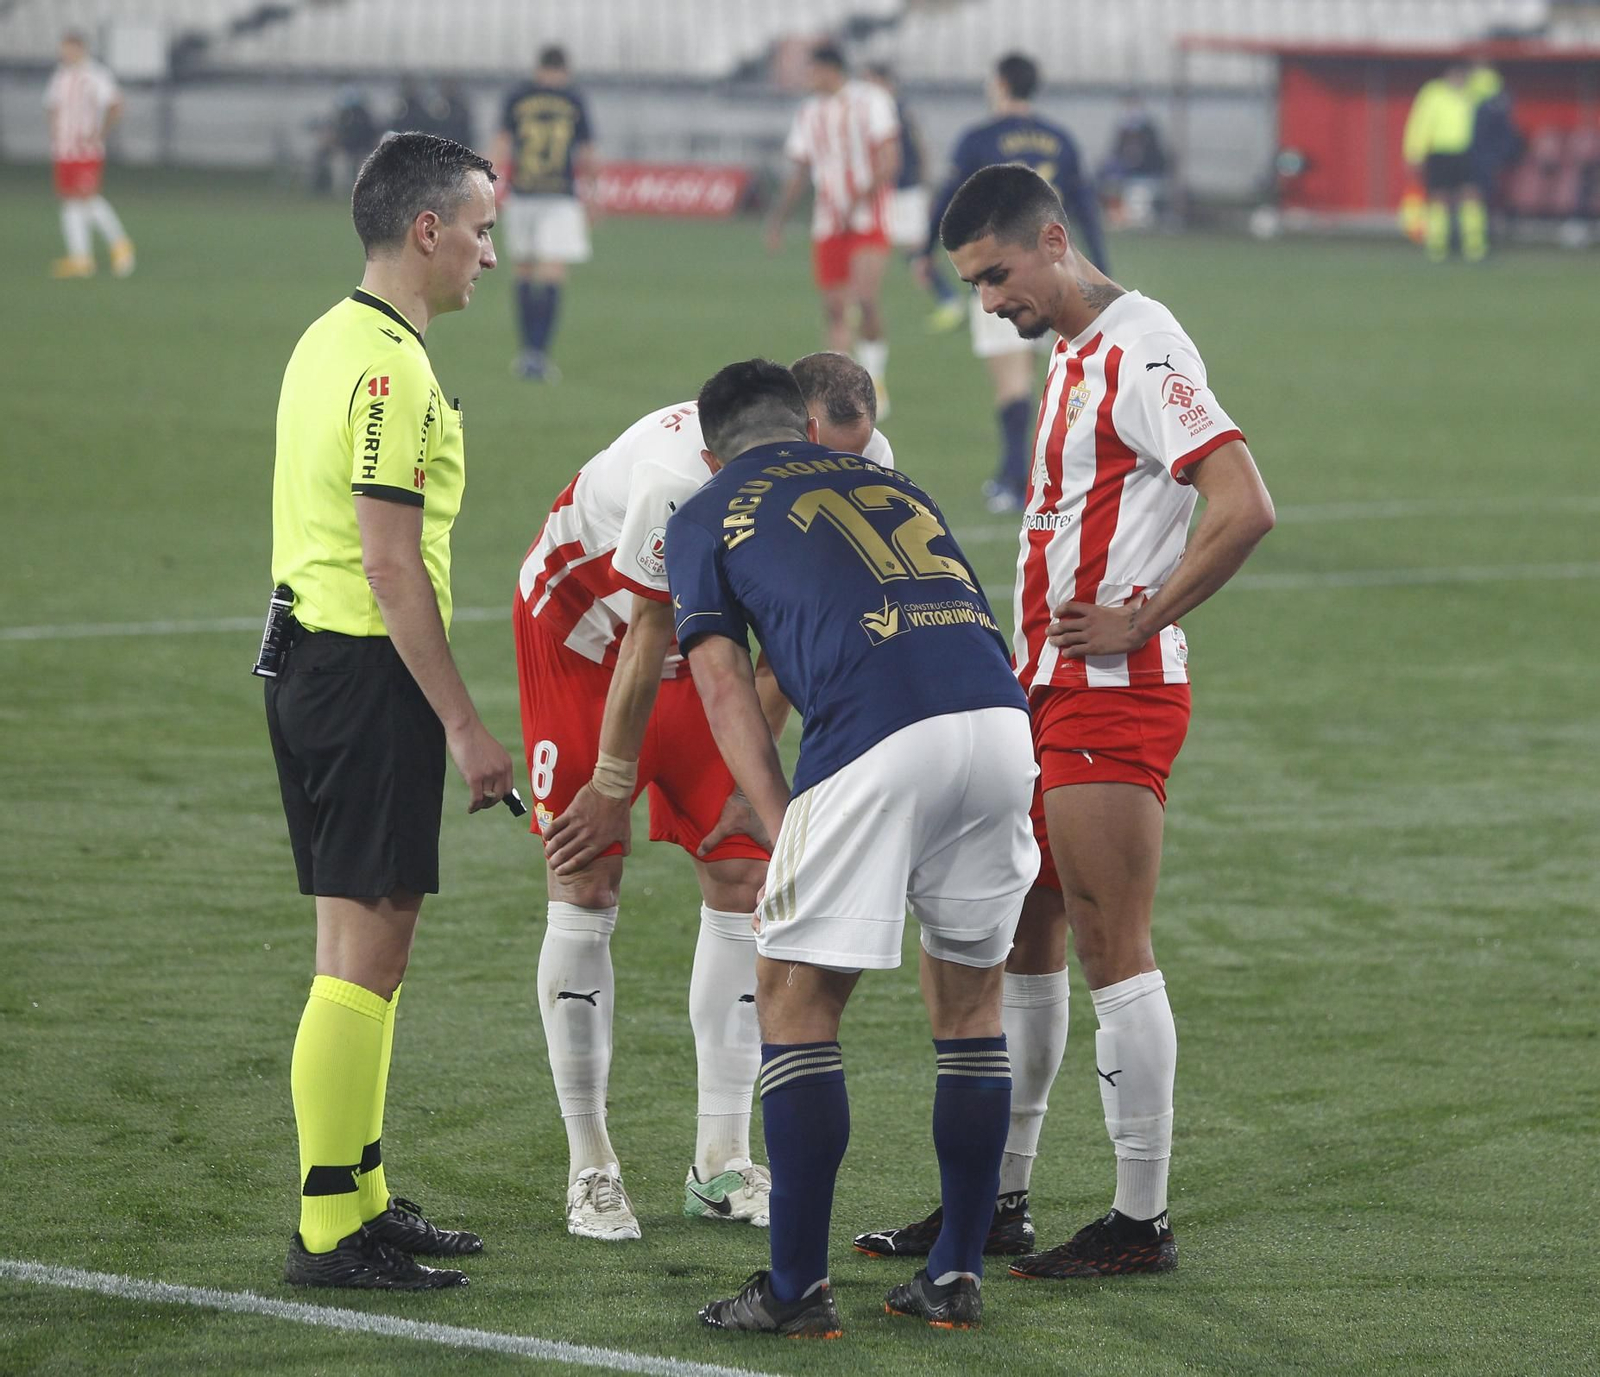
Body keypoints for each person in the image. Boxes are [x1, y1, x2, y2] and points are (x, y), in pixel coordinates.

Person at [855, 164, 1274, 1280]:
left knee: (1106, 941)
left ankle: (1140, 1222)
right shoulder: (1076, 352)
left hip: (1112, 694)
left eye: (996, 275)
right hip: (1044, 686)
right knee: (1023, 937)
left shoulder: (1141, 345)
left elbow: (1243, 504)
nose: (988, 301)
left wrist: (1139, 616)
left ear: (1050, 240)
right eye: (975, 284)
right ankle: (999, 1205)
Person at [673, 360, 1038, 1336]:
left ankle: (793, 1290)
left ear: (711, 450)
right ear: (807, 424)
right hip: (1000, 726)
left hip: (876, 733)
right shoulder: (890, 481)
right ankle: (955, 1272)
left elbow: (722, 687)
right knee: (969, 1002)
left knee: (792, 994)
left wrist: (776, 808)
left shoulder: (706, 507)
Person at [514, 353, 893, 1243]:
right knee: (587, 875)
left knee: (743, 875)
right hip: (591, 635)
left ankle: (719, 1160)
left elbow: (807, 630)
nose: (842, 472)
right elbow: (646, 634)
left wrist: (743, 766)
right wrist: (612, 786)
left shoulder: (862, 460)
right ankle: (591, 1166)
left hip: (708, 651)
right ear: (791, 430)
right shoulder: (674, 476)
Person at [266, 131, 515, 1290]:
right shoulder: (389, 369)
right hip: (363, 674)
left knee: (364, 943)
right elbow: (390, 563)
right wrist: (464, 723)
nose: (490, 254)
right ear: (428, 231)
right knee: (362, 954)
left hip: (321, 663)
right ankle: (329, 1226)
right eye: (480, 227)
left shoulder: (332, 335)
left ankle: (359, 1189)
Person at [922, 54, 1109, 513]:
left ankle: (1012, 479)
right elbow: (1084, 206)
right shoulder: (1060, 139)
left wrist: (922, 251)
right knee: (1083, 378)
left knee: (1013, 382)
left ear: (1001, 83)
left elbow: (950, 201)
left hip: (1006, 270)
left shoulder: (979, 139)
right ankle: (1089, 476)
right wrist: (1101, 271)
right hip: (1063, 270)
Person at [766, 44, 899, 417]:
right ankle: (843, 394)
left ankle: (876, 379)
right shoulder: (809, 113)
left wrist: (861, 197)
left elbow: (889, 158)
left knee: (866, 297)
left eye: (813, 71)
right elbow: (799, 172)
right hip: (828, 223)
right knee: (835, 309)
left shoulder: (870, 100)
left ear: (830, 69)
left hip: (868, 218)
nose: (809, 79)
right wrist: (778, 219)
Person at [493, 45, 595, 382]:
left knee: (524, 271)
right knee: (551, 273)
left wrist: (489, 185)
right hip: (560, 196)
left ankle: (528, 353)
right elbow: (588, 151)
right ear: (564, 69)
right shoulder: (574, 99)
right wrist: (593, 194)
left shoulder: (518, 97)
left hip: (524, 193)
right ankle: (538, 353)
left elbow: (502, 142)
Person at [864, 62, 966, 334]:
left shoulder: (892, 112)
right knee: (893, 248)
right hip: (900, 189)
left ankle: (950, 300)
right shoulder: (898, 111)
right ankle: (862, 303)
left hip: (903, 190)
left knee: (913, 251)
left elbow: (915, 150)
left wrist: (923, 184)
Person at [44, 31, 134, 279]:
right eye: (63, 49)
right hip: (64, 149)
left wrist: (99, 133)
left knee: (87, 197)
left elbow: (116, 105)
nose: (65, 53)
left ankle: (120, 243)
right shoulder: (60, 75)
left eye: (69, 48)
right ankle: (80, 258)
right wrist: (55, 132)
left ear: (81, 48)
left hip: (86, 149)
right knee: (70, 200)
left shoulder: (96, 74)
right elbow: (51, 106)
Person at [1402, 61, 1487, 263]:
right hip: (1440, 152)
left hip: (1467, 152)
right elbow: (1420, 123)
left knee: (1471, 196)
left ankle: (1474, 245)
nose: (1458, 79)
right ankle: (1437, 246)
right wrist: (1414, 153)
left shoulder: (1474, 92)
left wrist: (1480, 68)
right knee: (1439, 198)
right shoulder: (1433, 94)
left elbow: (1493, 85)